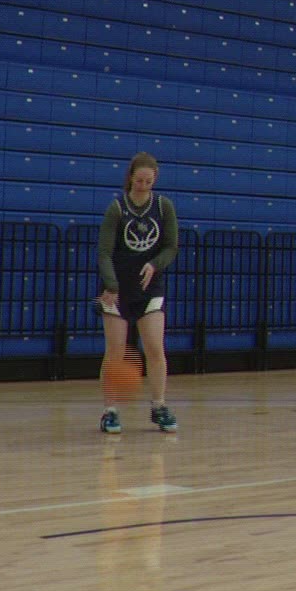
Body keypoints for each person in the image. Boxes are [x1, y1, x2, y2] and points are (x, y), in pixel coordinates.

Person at [98, 152, 180, 434]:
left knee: (156, 349)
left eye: (149, 181)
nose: (144, 185)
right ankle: (110, 410)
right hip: (117, 290)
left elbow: (171, 247)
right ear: (131, 177)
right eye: (140, 180)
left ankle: (159, 406)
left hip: (149, 290)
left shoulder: (164, 206)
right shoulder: (117, 208)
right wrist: (111, 285)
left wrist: (154, 264)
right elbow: (105, 252)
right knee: (116, 352)